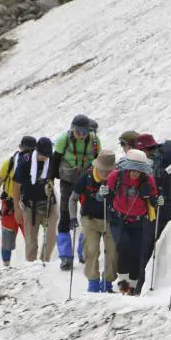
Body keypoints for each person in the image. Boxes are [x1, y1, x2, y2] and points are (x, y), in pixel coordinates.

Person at [50, 114, 100, 271]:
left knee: (87, 214)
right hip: (68, 181)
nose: (82, 135)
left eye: (84, 132)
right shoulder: (63, 139)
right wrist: (50, 181)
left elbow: (98, 161)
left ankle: (83, 251)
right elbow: (55, 160)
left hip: (87, 181)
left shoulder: (95, 141)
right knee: (65, 215)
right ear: (72, 129)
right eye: (78, 132)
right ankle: (65, 256)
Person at [106, 148, 158, 294]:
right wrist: (102, 194)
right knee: (123, 248)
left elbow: (154, 201)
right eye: (132, 169)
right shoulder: (116, 176)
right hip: (118, 219)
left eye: (138, 170)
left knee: (136, 253)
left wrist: (156, 200)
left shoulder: (148, 180)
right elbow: (106, 195)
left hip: (139, 221)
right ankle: (123, 285)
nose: (135, 172)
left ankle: (133, 287)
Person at [69, 149, 118, 292]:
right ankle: (93, 283)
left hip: (110, 219)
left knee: (113, 252)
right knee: (92, 250)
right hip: (89, 219)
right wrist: (72, 217)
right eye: (104, 170)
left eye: (109, 171)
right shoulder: (86, 177)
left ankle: (107, 284)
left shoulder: (117, 178)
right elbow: (73, 199)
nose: (106, 174)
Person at [12, 137, 59, 264]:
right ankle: (32, 267)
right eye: (42, 154)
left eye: (47, 155)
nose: (45, 157)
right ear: (36, 150)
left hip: (49, 203)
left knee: (51, 237)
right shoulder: (25, 162)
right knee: (31, 241)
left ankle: (45, 262)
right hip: (30, 205)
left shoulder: (52, 160)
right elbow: (16, 185)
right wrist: (16, 208)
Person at [0, 136, 35, 267]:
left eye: (30, 151)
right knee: (7, 239)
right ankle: (6, 266)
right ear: (20, 147)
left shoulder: (35, 165)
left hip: (27, 205)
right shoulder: (9, 164)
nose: (27, 153)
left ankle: (33, 265)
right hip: (9, 206)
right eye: (26, 150)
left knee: (30, 237)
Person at [141, 133, 171, 239]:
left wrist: (167, 171)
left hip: (168, 203)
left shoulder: (163, 157)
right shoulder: (160, 155)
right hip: (166, 202)